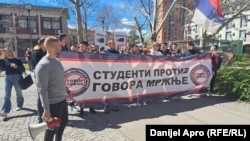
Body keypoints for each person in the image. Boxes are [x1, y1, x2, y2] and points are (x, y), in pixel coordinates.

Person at [34, 36, 71, 141]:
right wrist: (46, 110)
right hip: (52, 104)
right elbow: (42, 90)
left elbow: (60, 80)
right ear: (53, 47)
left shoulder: (57, 61)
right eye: (59, 46)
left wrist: (67, 91)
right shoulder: (43, 66)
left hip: (62, 100)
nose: (61, 48)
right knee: (51, 131)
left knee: (63, 123)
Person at [0, 49, 25, 118]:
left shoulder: (17, 60)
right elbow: (1, 68)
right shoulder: (4, 61)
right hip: (8, 78)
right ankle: (4, 111)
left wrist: (17, 66)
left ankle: (19, 105)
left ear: (12, 53)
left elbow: (23, 69)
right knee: (6, 94)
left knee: (18, 92)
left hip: (17, 77)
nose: (8, 54)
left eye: (9, 52)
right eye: (6, 53)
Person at [31, 37, 47, 123]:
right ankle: (40, 117)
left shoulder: (45, 52)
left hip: (48, 77)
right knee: (41, 96)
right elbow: (39, 66)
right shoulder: (36, 53)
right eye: (45, 43)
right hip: (40, 77)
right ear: (41, 44)